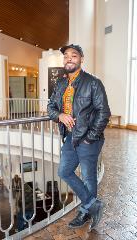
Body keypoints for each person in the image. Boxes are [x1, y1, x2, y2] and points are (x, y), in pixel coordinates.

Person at [47, 44, 111, 230]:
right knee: (64, 171)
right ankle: (93, 204)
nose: (69, 58)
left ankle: (84, 212)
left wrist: (90, 137)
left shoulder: (93, 83)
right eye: (66, 56)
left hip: (88, 139)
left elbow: (103, 112)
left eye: (74, 56)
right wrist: (60, 115)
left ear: (81, 59)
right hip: (69, 137)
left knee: (88, 178)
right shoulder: (60, 84)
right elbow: (51, 107)